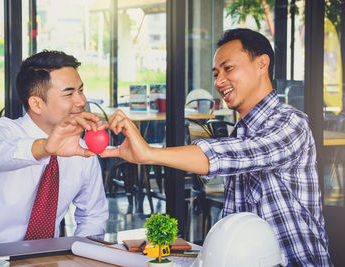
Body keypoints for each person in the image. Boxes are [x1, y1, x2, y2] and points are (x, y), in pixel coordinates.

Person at [101, 28, 332, 266]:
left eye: (228, 68)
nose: (219, 81)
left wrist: (149, 154)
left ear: (262, 64)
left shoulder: (290, 122)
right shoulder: (241, 130)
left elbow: (234, 154)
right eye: (216, 73)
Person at [0, 50, 108, 249]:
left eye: (81, 90)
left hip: (47, 259)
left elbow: (93, 216)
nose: (81, 101)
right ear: (36, 104)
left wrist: (81, 254)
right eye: (69, 93)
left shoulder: (81, 150)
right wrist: (44, 147)